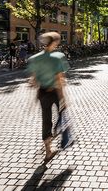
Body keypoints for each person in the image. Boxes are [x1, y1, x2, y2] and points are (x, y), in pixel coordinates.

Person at [27, 32, 70, 163]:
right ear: (54, 42)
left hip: (43, 93)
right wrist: (63, 98)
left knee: (46, 120)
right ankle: (63, 137)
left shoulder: (35, 58)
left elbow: (33, 80)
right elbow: (60, 80)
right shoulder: (58, 57)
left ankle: (48, 151)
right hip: (55, 92)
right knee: (62, 116)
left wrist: (35, 96)